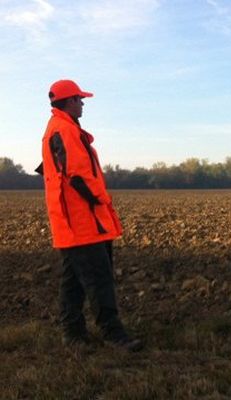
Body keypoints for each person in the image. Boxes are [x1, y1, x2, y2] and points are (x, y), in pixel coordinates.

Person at [38, 79, 142, 352]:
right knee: (99, 280)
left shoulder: (62, 129)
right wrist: (102, 199)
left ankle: (72, 334)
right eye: (80, 99)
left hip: (76, 224)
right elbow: (78, 175)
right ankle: (113, 334)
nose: (83, 103)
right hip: (82, 222)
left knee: (74, 281)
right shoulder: (64, 130)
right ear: (69, 101)